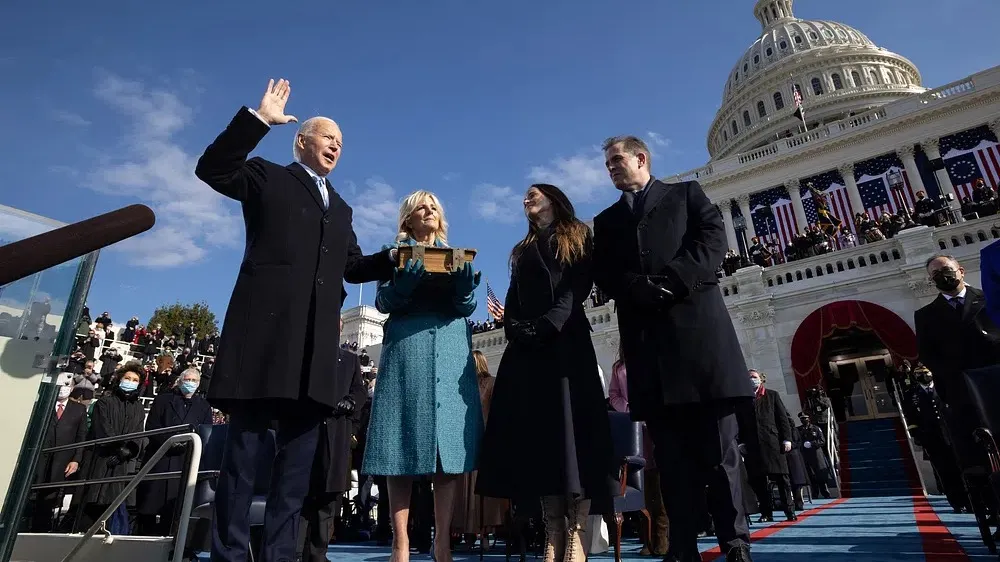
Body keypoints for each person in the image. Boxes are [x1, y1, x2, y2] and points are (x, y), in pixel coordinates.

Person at [195, 78, 397, 562]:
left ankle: (281, 554)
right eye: (328, 136)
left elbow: (352, 266)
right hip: (264, 341)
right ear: (301, 140)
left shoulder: (343, 208)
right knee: (243, 463)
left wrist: (393, 256)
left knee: (295, 473)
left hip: (314, 354)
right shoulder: (267, 176)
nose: (336, 146)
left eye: (342, 143)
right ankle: (230, 554)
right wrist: (258, 119)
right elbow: (214, 168)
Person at [591, 135, 754, 562]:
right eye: (607, 163)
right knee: (672, 463)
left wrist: (672, 280)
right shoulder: (605, 221)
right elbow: (605, 273)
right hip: (650, 354)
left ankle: (734, 541)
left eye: (616, 160)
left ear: (641, 158)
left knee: (721, 456)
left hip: (702, 347)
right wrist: (635, 287)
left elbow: (713, 241)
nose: (610, 168)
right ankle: (680, 546)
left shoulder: (686, 195)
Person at [477, 183, 616, 562]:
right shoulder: (521, 249)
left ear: (554, 200)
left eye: (534, 193)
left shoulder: (576, 236)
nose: (526, 198)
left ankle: (575, 532)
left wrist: (549, 324)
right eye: (525, 195)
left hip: (566, 345)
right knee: (540, 444)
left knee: (574, 442)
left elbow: (577, 286)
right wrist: (516, 328)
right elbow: (511, 296)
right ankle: (553, 529)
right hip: (528, 354)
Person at [361, 190, 482, 562]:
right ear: (407, 220)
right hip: (406, 351)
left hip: (449, 351)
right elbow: (383, 303)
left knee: (447, 455)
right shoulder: (392, 255)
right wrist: (402, 287)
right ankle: (400, 543)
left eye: (433, 208)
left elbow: (467, 306)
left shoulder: (457, 255)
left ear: (440, 218)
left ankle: (441, 542)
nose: (427, 212)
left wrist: (465, 292)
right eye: (420, 208)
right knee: (399, 447)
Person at [914, 255, 1000, 470]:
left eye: (946, 269)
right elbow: (927, 354)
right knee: (978, 462)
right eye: (935, 274)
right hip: (962, 395)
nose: (942, 276)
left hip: (995, 385)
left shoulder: (990, 299)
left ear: (961, 270)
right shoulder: (925, 315)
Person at [298, 313, 369, 562]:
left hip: (337, 435)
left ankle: (319, 553)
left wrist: (351, 401)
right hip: (308, 433)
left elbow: (359, 390)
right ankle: (295, 552)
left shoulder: (350, 361)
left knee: (329, 498)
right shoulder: (305, 356)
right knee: (303, 495)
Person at [69, 363, 148, 533]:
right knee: (91, 500)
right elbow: (102, 428)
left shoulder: (139, 408)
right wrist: (118, 447)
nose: (130, 382)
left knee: (112, 503)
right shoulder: (104, 402)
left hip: (121, 463)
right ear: (119, 379)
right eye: (127, 378)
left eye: (135, 380)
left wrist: (128, 451)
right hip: (100, 459)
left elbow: (138, 434)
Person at [136, 368, 214, 536]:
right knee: (150, 506)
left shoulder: (204, 405)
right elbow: (152, 427)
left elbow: (206, 431)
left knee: (175, 510)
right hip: (161, 457)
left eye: (194, 381)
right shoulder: (163, 400)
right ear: (180, 380)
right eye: (188, 379)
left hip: (186, 460)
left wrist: (186, 444)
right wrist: (171, 441)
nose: (190, 383)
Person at [450, 350, 507, 549]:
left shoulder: (491, 383)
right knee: (464, 490)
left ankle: (485, 533)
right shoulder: (462, 386)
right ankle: (467, 532)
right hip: (464, 442)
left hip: (485, 442)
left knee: (483, 490)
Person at [31, 380, 88, 532]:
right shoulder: (42, 404)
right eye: (61, 384)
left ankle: (42, 529)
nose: (63, 388)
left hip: (62, 461)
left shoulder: (79, 409)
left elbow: (81, 437)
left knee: (51, 497)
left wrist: (76, 459)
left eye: (67, 385)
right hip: (39, 459)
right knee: (32, 494)